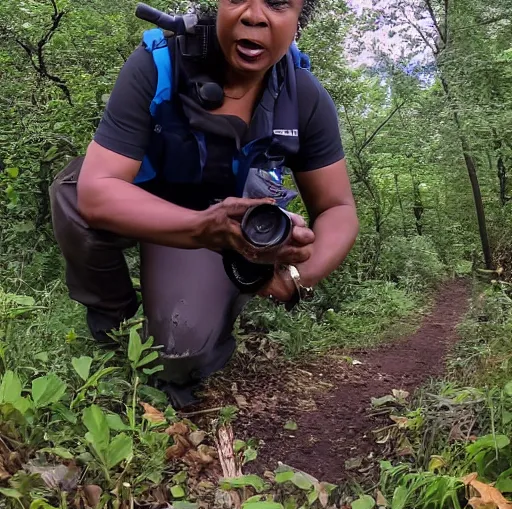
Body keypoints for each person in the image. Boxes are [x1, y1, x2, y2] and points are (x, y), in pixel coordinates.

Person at [49, 0, 359, 408]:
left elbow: (338, 208)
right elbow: (98, 189)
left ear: (299, 18)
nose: (253, 15)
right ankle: (114, 324)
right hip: (147, 204)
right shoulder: (159, 63)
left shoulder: (303, 96)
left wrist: (299, 276)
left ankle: (197, 319)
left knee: (179, 357)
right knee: (73, 189)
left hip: (222, 236)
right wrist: (198, 225)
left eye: (278, 3)